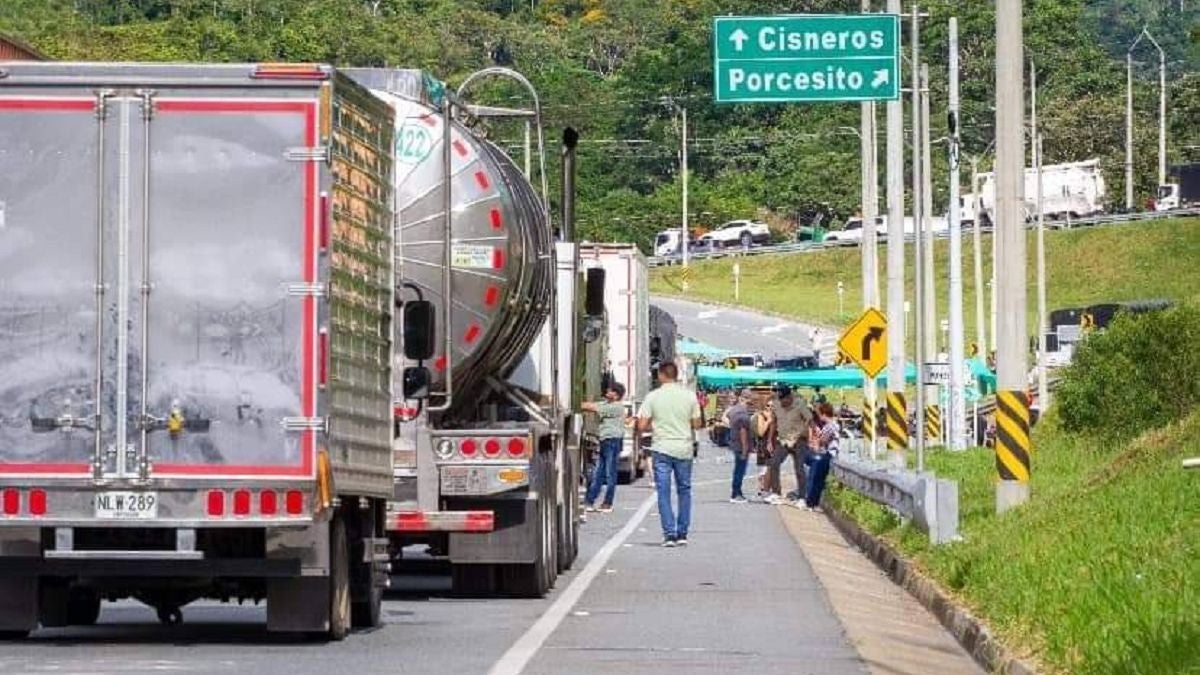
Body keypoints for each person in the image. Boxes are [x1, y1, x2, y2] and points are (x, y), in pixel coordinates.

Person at [637, 362, 702, 547]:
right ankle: (682, 533)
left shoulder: (653, 396)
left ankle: (669, 534)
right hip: (683, 448)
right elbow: (697, 424)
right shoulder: (690, 396)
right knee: (684, 491)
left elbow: (641, 426)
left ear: (661, 375)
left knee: (663, 492)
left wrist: (656, 425)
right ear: (676, 374)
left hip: (661, 448)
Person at [582, 382, 627, 513]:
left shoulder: (616, 407)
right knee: (599, 473)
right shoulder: (607, 404)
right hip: (605, 441)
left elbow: (592, 407)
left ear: (616, 395)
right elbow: (589, 406)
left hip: (613, 441)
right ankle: (590, 501)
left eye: (609, 391)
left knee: (610, 473)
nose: (606, 393)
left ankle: (607, 503)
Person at [765, 386, 812, 505]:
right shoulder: (776, 405)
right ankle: (776, 493)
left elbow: (809, 420)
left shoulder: (800, 405)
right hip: (783, 440)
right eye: (780, 399)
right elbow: (773, 422)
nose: (782, 402)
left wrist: (804, 434)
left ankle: (802, 497)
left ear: (790, 397)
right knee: (774, 462)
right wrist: (769, 440)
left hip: (798, 440)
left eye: (784, 400)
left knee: (799, 468)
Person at [802, 402, 839, 512]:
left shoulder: (830, 426)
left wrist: (815, 442)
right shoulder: (834, 425)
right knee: (818, 479)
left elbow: (821, 441)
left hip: (827, 454)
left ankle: (810, 502)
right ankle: (812, 502)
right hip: (830, 454)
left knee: (816, 479)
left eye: (819, 414)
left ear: (823, 414)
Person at [725, 391, 752, 503]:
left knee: (738, 469)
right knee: (740, 470)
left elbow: (726, 416)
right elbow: (743, 433)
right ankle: (736, 493)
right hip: (740, 445)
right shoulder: (743, 415)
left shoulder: (734, 410)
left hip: (734, 441)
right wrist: (745, 449)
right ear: (746, 399)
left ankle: (737, 492)